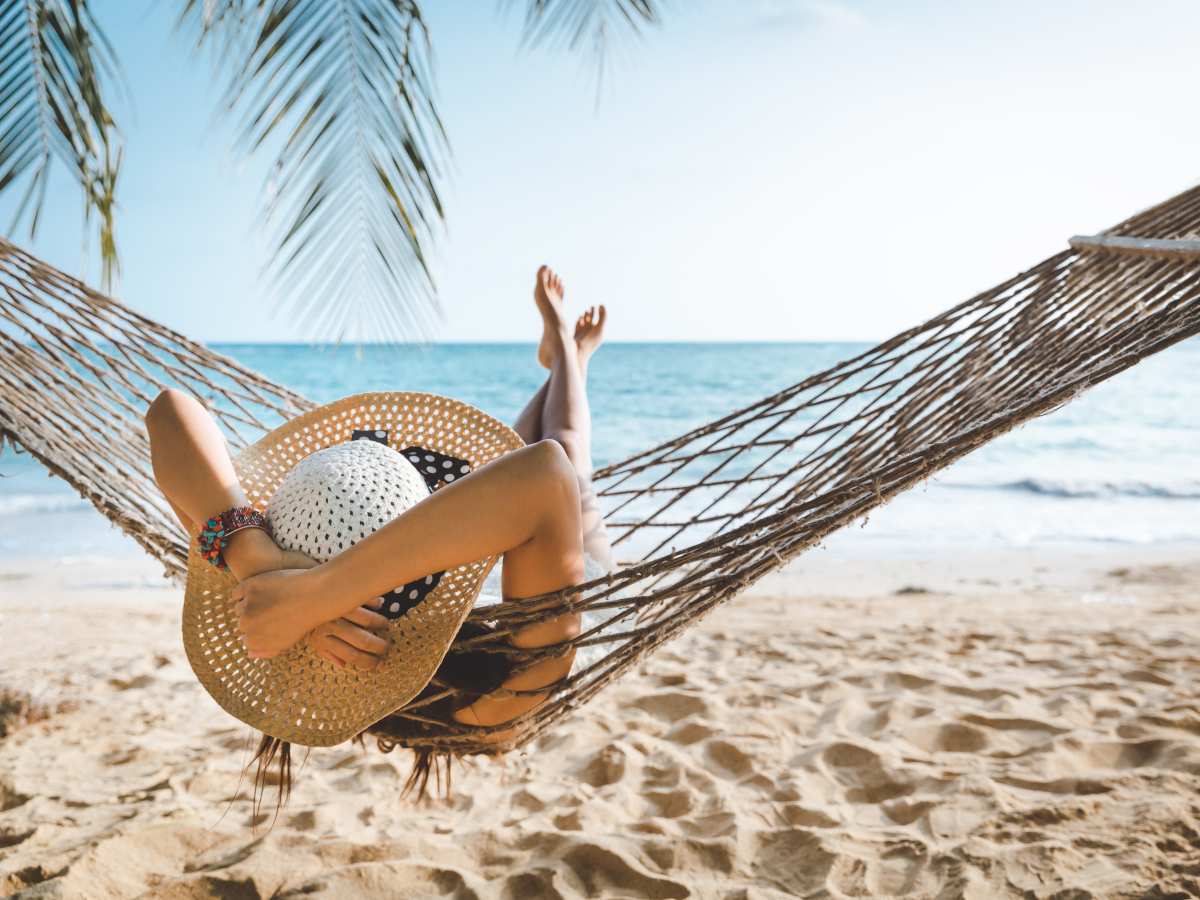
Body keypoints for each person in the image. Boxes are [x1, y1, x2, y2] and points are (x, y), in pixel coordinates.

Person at [144, 266, 610, 754]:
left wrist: (258, 560)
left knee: (533, 446)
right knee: (567, 443)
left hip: (477, 542)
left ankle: (563, 358)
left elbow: (168, 412)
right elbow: (544, 473)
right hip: (575, 591)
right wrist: (312, 597)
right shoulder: (496, 698)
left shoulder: (259, 605)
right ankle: (567, 354)